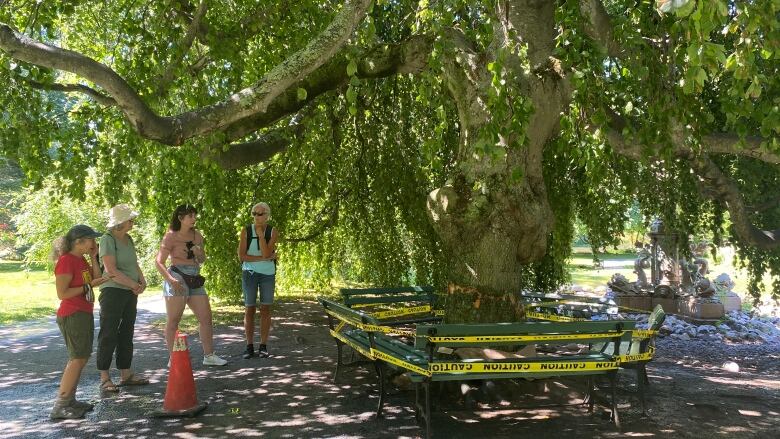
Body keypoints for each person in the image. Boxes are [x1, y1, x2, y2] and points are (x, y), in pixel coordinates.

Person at [50, 225, 112, 419]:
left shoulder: (81, 259)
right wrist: (89, 285)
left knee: (81, 357)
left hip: (83, 312)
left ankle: (70, 401)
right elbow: (63, 293)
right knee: (77, 359)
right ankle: (60, 405)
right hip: (73, 314)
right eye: (91, 240)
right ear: (79, 242)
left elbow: (95, 278)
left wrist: (93, 258)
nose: (94, 243)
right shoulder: (67, 261)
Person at [155, 204, 227, 366]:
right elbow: (159, 262)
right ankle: (174, 358)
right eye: (190, 216)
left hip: (194, 277)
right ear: (181, 218)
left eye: (195, 215)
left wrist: (199, 252)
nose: (194, 219)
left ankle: (209, 356)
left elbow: (202, 260)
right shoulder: (170, 236)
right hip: (177, 277)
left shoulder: (197, 236)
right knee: (173, 320)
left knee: (206, 318)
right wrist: (170, 280)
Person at [96, 204, 149, 391]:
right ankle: (104, 377)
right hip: (112, 292)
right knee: (109, 332)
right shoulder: (107, 239)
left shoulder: (129, 239)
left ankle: (126, 374)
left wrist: (142, 281)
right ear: (120, 222)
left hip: (129, 291)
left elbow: (134, 264)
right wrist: (133, 284)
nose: (132, 221)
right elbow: (111, 270)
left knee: (127, 332)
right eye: (129, 218)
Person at [238, 202, 278, 359]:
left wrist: (261, 235)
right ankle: (249, 346)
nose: (256, 217)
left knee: (266, 309)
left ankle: (263, 346)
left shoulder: (273, 231)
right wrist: (265, 258)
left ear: (267, 215)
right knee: (249, 309)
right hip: (250, 273)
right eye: (254, 213)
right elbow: (242, 256)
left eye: (260, 214)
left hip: (268, 274)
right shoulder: (246, 231)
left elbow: (267, 251)